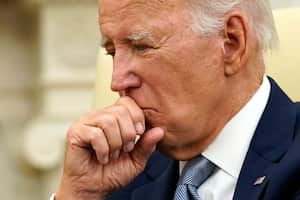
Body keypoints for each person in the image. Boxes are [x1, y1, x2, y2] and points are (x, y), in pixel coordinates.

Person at [52, 0, 300, 199]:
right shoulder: (114, 179)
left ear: (231, 42)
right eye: (112, 52)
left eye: (141, 47)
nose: (116, 82)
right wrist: (78, 194)